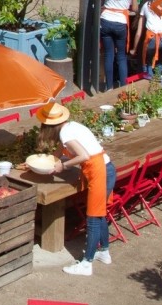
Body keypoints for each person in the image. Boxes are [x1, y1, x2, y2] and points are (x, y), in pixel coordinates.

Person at [36, 102, 118, 276]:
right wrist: (48, 161)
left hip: (99, 171)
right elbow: (61, 151)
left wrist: (62, 167)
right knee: (99, 213)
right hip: (106, 168)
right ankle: (104, 251)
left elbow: (83, 156)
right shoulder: (71, 127)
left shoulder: (65, 133)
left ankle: (86, 263)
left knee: (93, 218)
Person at [100, 0, 138, 90]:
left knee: (108, 55)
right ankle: (123, 86)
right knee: (121, 56)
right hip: (121, 22)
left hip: (105, 21)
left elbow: (101, 2)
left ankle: (108, 86)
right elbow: (134, 8)